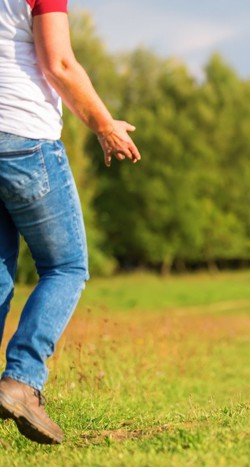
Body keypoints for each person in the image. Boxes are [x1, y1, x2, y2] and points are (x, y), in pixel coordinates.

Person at [0, 0, 141, 444]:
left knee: (1, 273)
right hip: (24, 139)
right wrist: (104, 124)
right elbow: (59, 62)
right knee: (66, 266)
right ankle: (21, 380)